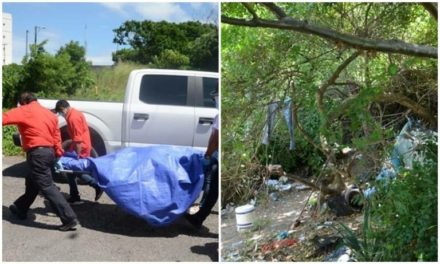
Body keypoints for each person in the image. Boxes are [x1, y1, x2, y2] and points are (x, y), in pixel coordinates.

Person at [3, 92, 78, 231]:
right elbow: (56, 137)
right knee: (33, 181)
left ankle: (69, 218)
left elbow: (4, 118)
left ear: (24, 101)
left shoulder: (24, 110)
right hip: (49, 152)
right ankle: (20, 208)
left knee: (46, 186)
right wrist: (58, 153)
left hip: (37, 153)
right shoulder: (49, 114)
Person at [54, 100, 103, 204]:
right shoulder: (74, 113)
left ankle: (96, 185)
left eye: (61, 113)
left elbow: (78, 139)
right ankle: (74, 196)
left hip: (81, 147)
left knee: (76, 170)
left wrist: (77, 155)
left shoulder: (73, 118)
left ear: (64, 109)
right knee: (71, 172)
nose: (61, 115)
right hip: (81, 145)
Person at [185, 88, 219, 229]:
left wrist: (208, 155)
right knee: (212, 187)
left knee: (213, 188)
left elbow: (215, 138)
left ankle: (198, 218)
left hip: (217, 155)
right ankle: (199, 217)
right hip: (217, 155)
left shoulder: (220, 115)